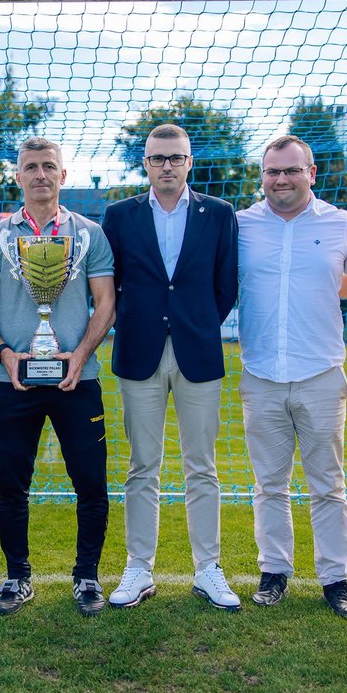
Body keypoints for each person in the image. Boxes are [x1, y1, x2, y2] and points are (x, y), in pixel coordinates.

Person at [0, 137, 116, 617]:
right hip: (14, 381)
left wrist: (81, 353)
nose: (40, 175)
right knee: (12, 484)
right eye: (31, 167)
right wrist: (6, 354)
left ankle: (87, 578)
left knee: (91, 482)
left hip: (78, 378)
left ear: (63, 176)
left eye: (49, 166)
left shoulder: (90, 233)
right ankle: (17, 577)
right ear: (18, 177)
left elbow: (105, 303)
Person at [100, 123, 242, 611]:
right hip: (139, 353)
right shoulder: (119, 216)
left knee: (202, 467)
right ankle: (139, 568)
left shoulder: (219, 214)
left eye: (175, 158)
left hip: (197, 353)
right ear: (145, 163)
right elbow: (109, 285)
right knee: (143, 466)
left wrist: (193, 325)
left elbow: (226, 287)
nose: (167, 166)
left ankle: (208, 570)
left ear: (189, 162)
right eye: (158, 158)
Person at [237, 135, 347, 617]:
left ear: (311, 173)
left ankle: (335, 579)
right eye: (273, 171)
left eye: (291, 170)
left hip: (320, 373)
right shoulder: (241, 225)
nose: (281, 179)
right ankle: (273, 571)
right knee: (269, 484)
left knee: (328, 485)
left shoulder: (339, 224)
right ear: (263, 177)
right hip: (260, 374)